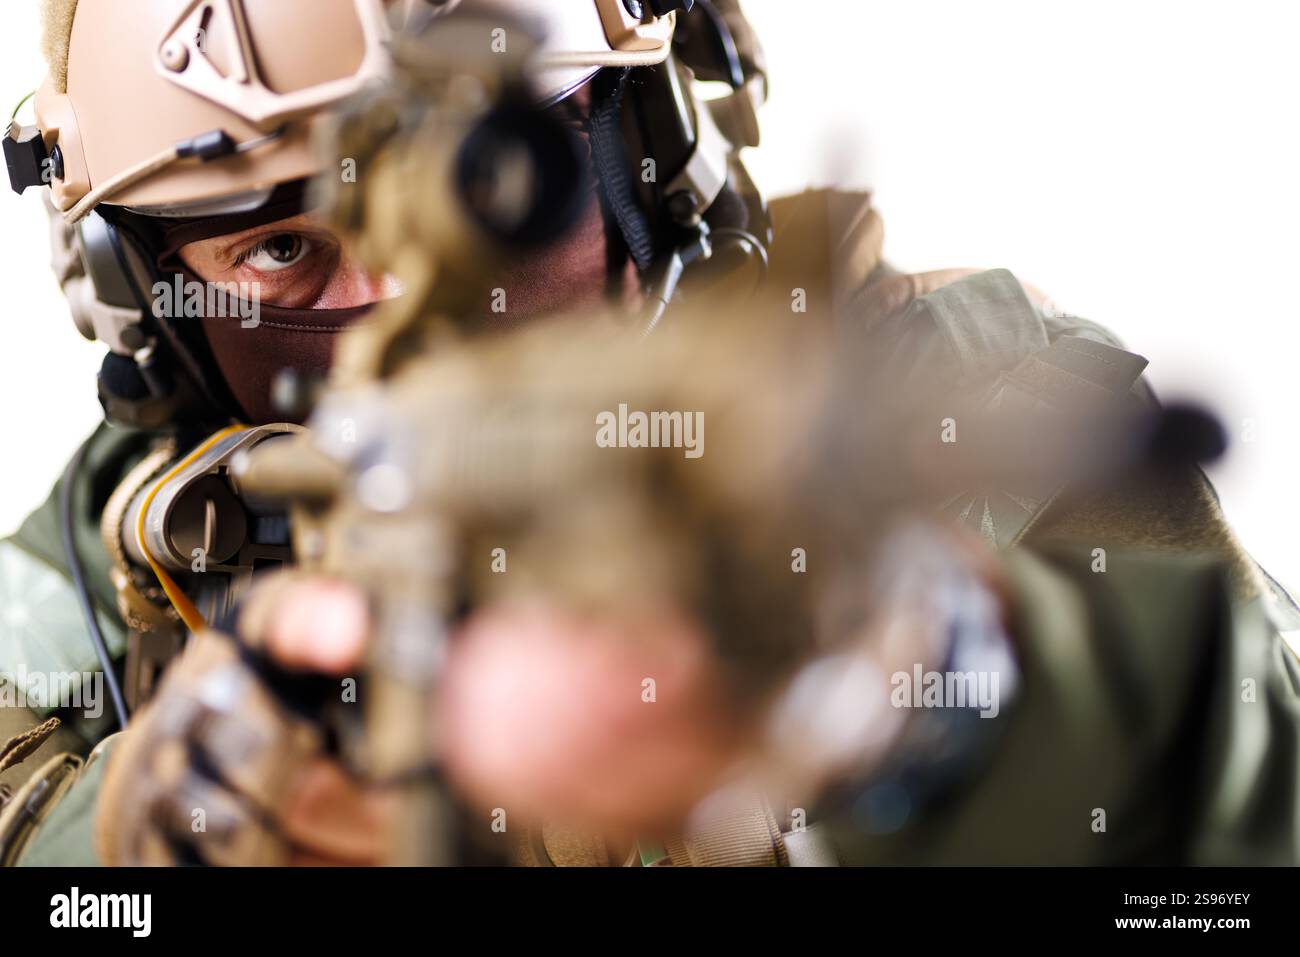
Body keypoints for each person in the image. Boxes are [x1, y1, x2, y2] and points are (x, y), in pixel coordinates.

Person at [1, 0, 1296, 867]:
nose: (401, 309)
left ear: (647, 150)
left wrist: (907, 699)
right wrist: (154, 816)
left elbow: (1235, 814)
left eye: (485, 192)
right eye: (278, 248)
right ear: (145, 288)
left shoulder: (957, 401)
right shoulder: (161, 508)